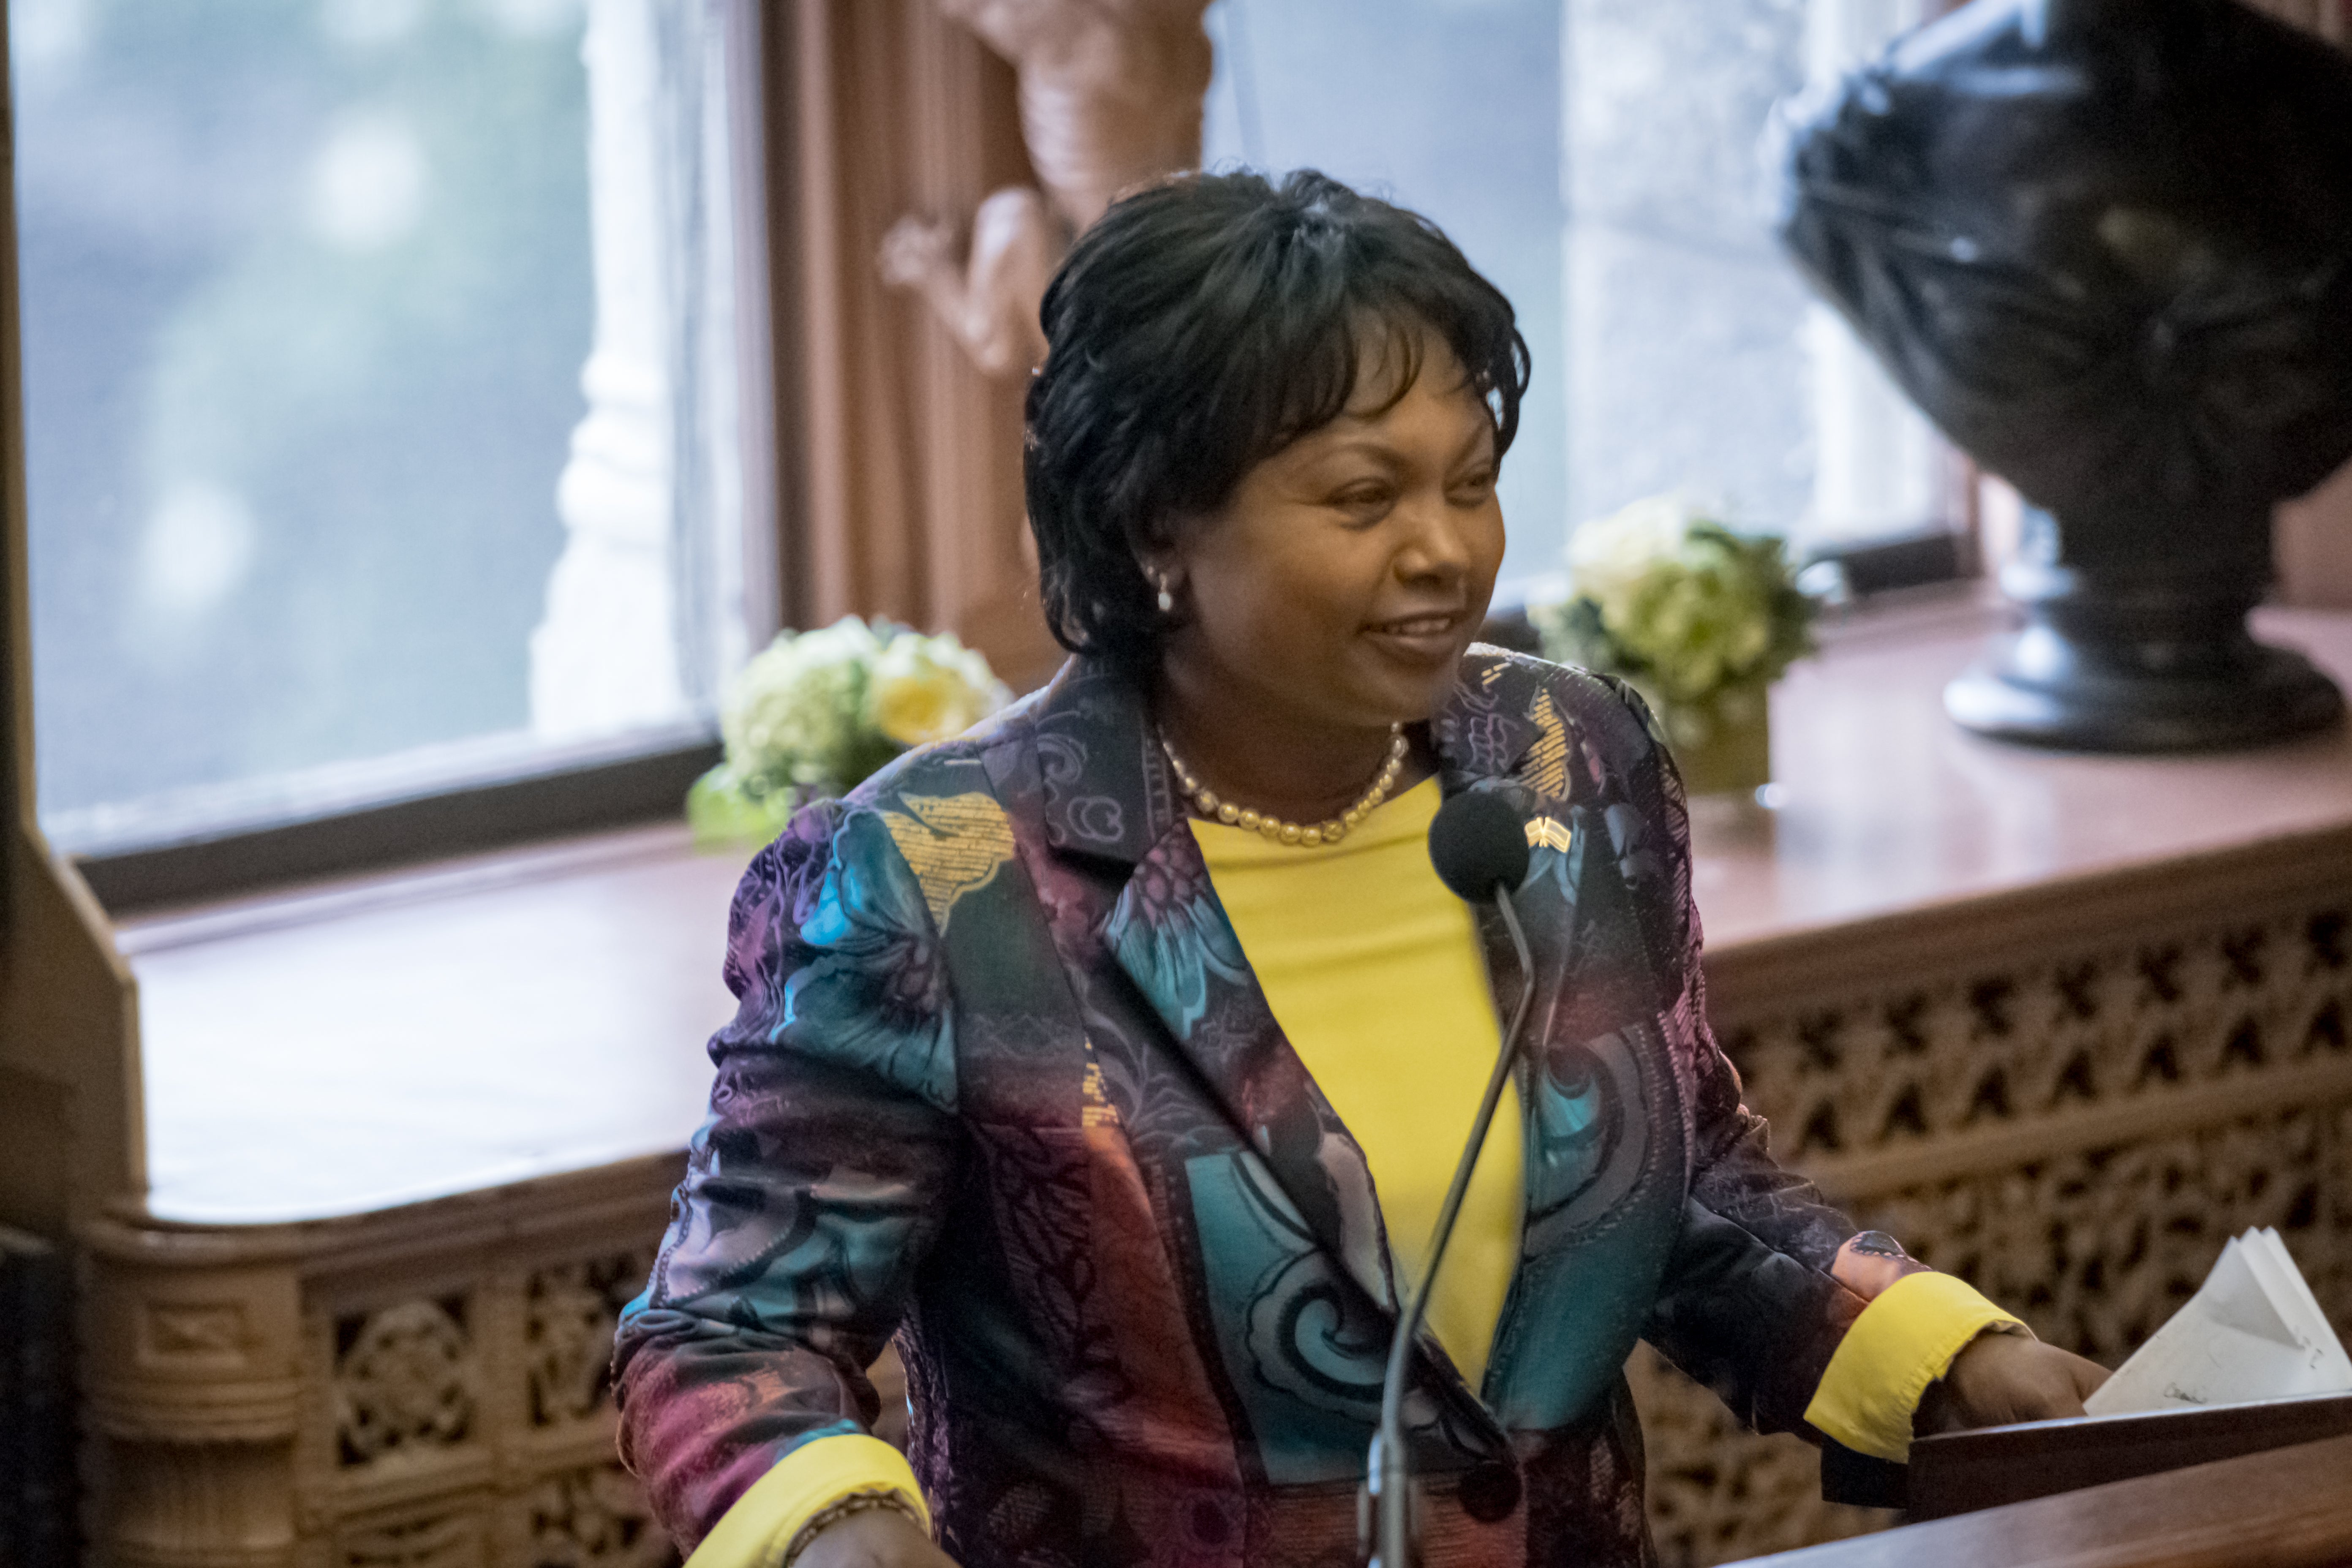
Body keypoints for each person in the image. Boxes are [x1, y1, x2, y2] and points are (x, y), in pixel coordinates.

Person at [613, 169, 2109, 1568]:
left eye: (1470, 482)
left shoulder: (1562, 764)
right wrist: (836, 1534)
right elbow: (728, 1334)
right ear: (1157, 528)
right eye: (1362, 498)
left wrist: (1946, 1355)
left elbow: (1685, 1185)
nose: (1446, 551)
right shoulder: (938, 876)